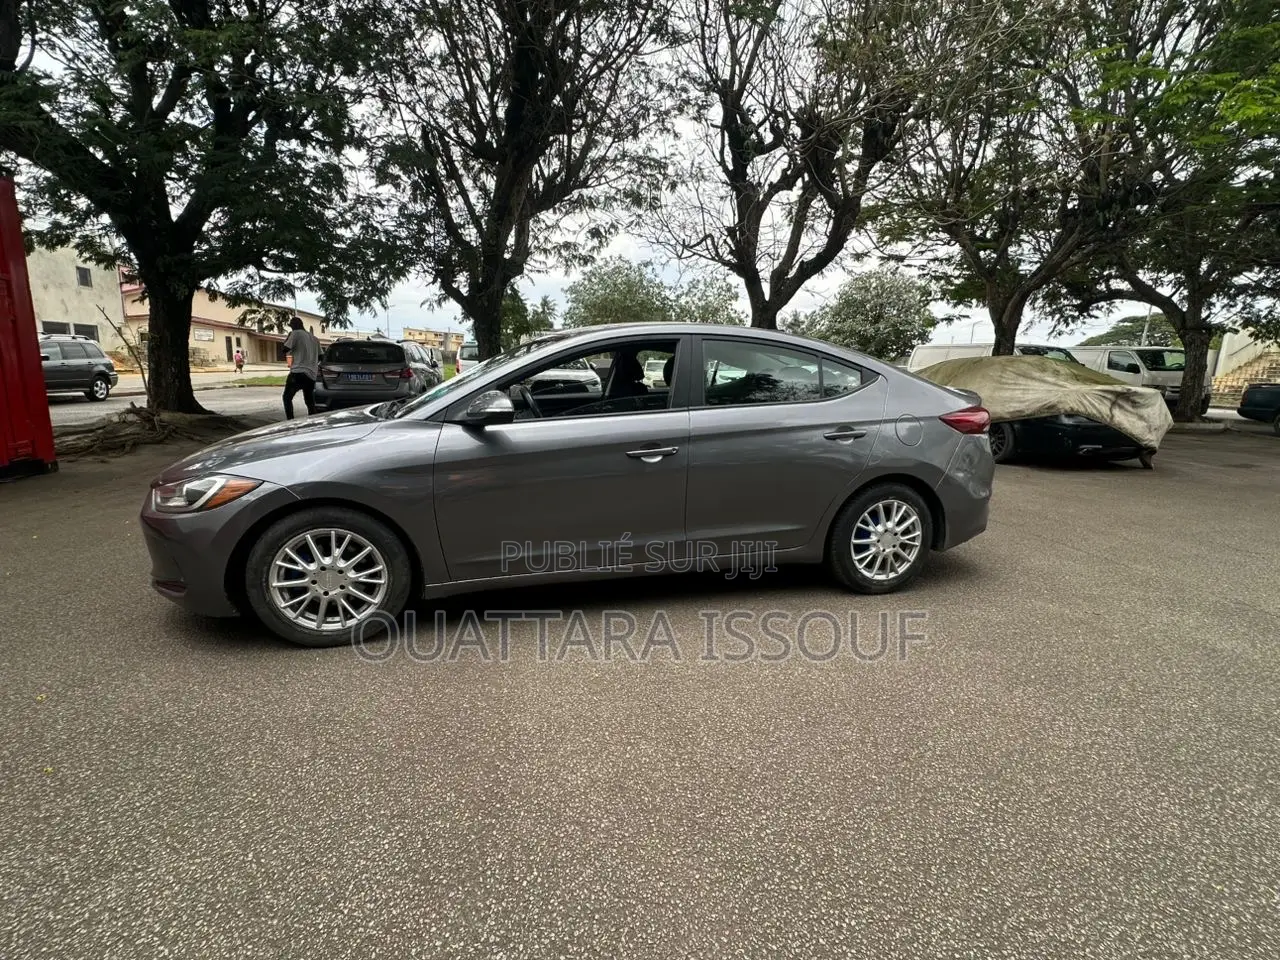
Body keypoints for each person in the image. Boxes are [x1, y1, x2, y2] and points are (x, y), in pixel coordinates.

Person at [282, 317, 320, 419]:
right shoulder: (314, 338)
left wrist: (288, 337)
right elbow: (321, 356)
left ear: (294, 325)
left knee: (287, 398)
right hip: (311, 374)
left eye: (291, 326)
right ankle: (313, 421)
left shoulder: (295, 334)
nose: (291, 329)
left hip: (298, 372)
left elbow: (284, 349)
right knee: (309, 401)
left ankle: (290, 421)